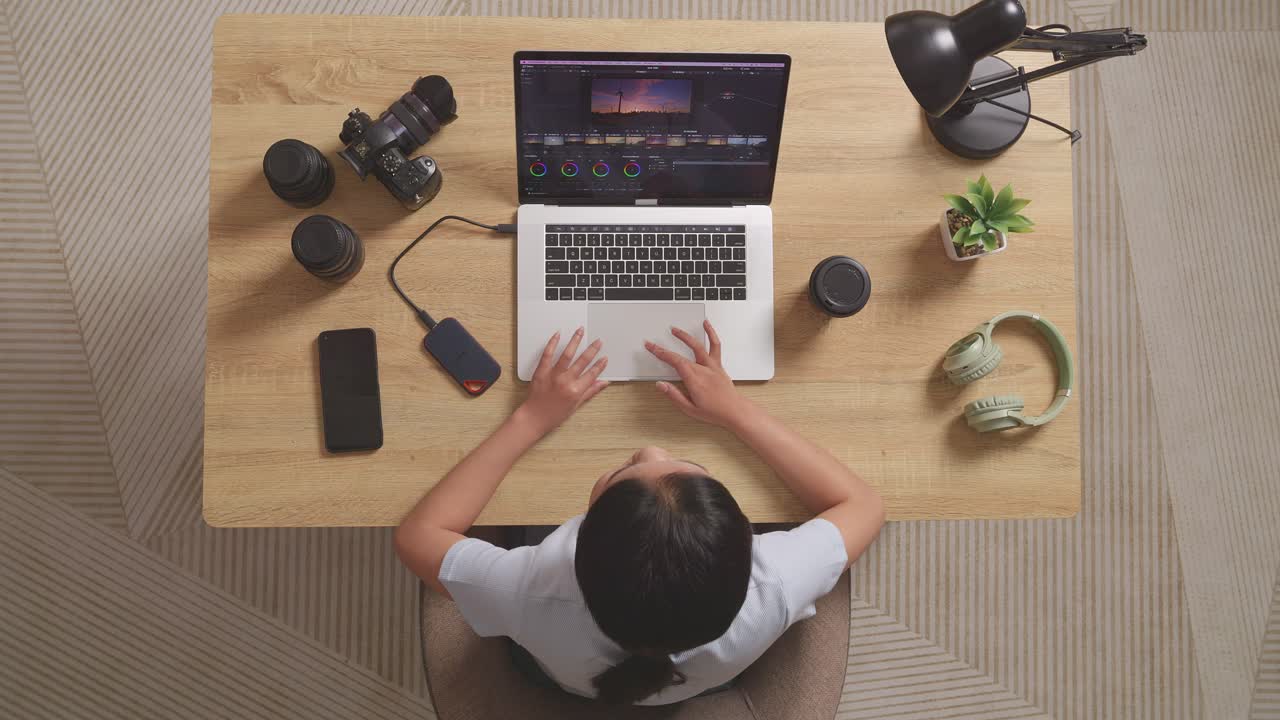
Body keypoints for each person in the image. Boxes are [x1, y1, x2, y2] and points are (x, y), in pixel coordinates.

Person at [395, 321, 885, 706]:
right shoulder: (773, 584)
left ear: (582, 531)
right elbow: (864, 505)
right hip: (701, 682)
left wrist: (531, 418)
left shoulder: (529, 589)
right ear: (748, 541)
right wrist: (735, 410)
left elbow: (418, 535)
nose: (649, 448)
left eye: (623, 473)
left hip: (565, 679)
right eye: (684, 467)